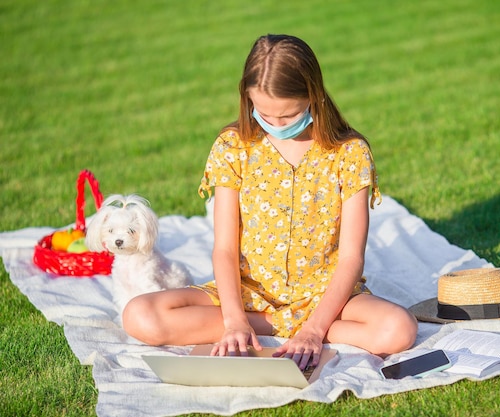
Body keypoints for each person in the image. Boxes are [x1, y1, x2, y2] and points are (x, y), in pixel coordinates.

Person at [123, 34, 418, 370]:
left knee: (400, 329)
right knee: (139, 315)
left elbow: (351, 258)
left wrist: (315, 328)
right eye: (263, 113)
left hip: (322, 296)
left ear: (314, 96)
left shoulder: (349, 154)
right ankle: (262, 325)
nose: (275, 125)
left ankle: (287, 326)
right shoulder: (233, 146)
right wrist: (234, 321)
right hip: (248, 294)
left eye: (288, 116)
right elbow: (225, 249)